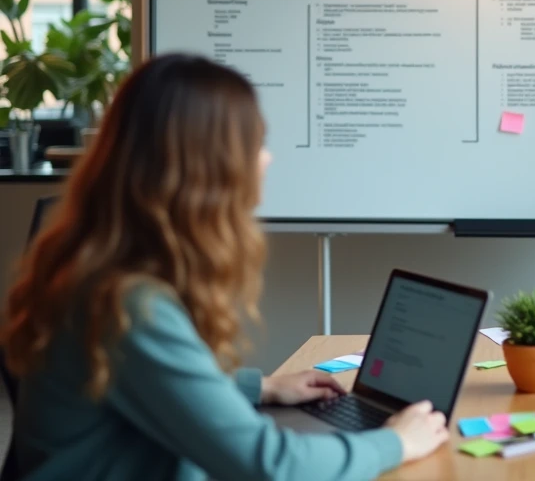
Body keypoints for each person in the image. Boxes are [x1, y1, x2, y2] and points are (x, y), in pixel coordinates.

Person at [0, 55, 448, 481]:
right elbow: (272, 467)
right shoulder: (129, 305)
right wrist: (395, 442)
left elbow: (152, 385)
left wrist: (260, 388)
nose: (267, 159)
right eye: (255, 145)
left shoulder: (100, 272)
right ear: (206, 169)